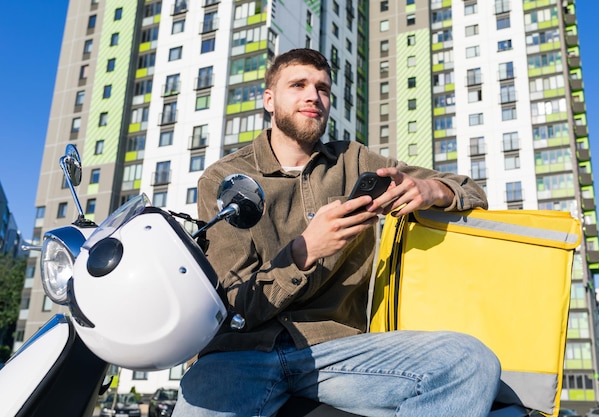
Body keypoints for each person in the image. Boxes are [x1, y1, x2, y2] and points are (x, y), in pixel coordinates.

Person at [173, 48, 500, 417]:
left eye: (323, 89)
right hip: (240, 355)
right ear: (269, 100)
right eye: (298, 85)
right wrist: (304, 252)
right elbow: (234, 309)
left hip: (335, 352)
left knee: (469, 361)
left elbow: (471, 189)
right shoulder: (223, 178)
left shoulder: (355, 159)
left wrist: (433, 190)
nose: (314, 96)